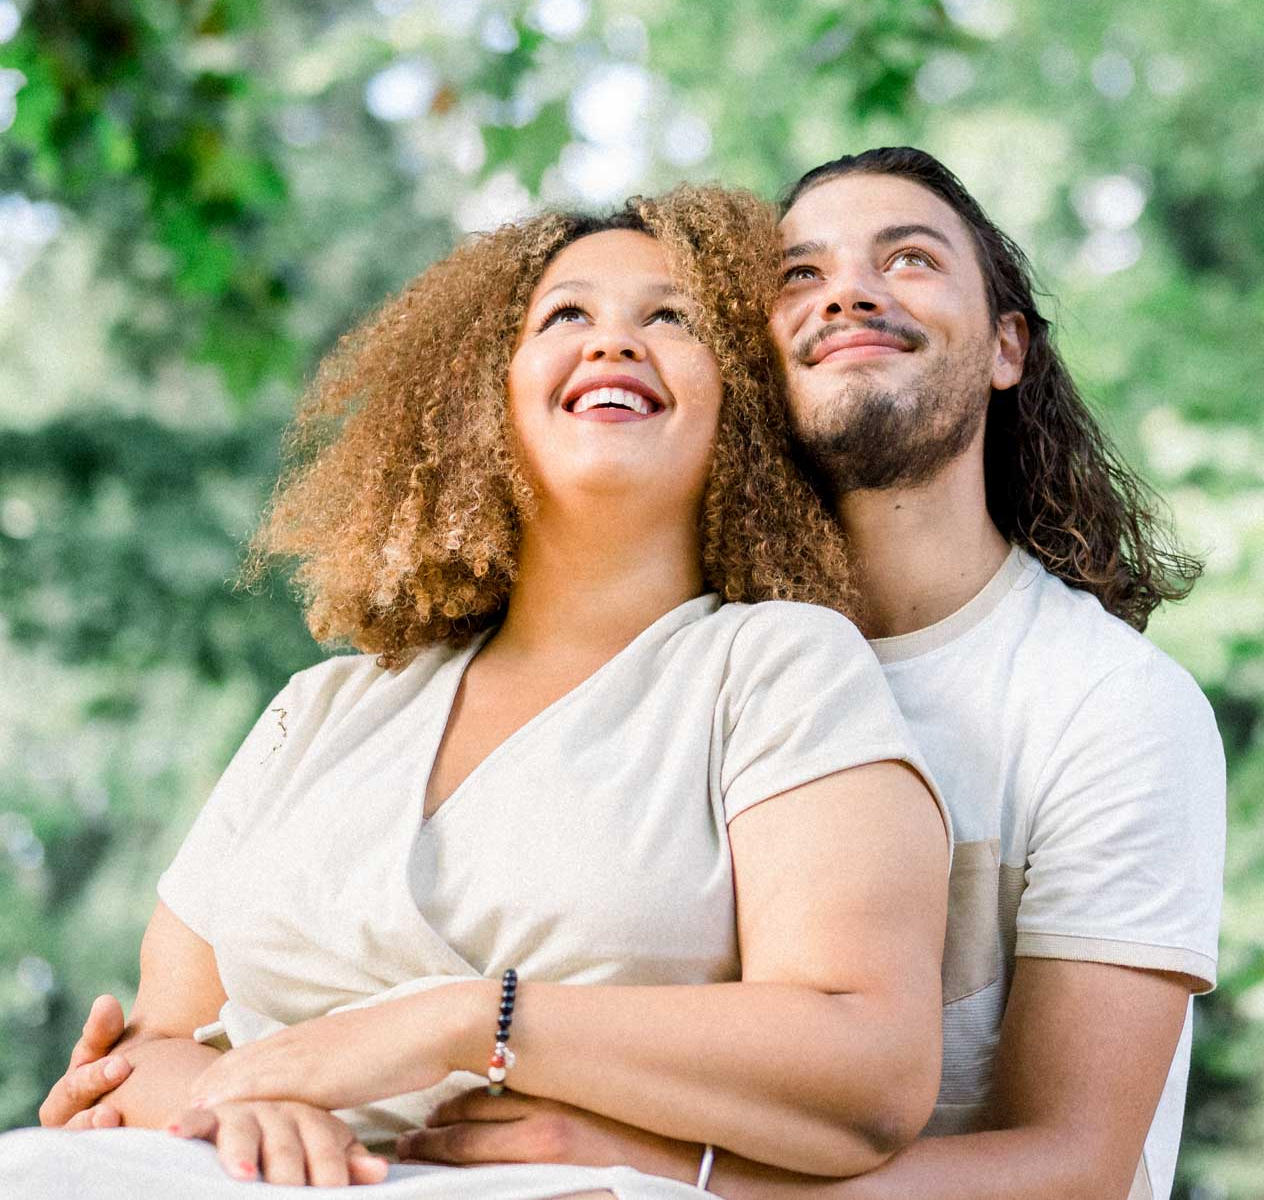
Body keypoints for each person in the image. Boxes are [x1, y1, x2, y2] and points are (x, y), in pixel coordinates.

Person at [224, 148, 1218, 1200]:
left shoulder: (1108, 703)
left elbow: (1076, 1168)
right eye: (798, 273)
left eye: (911, 257)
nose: (847, 289)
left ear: (1008, 346)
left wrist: (660, 1172)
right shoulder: (686, 677)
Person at [11, 184, 950, 1194]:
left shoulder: (776, 667)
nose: (613, 342)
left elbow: (870, 1068)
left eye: (670, 317)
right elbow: (139, 1052)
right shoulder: (323, 708)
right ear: (483, 400)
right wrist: (256, 1103)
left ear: (745, 405)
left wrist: (465, 1023)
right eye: (565, 315)